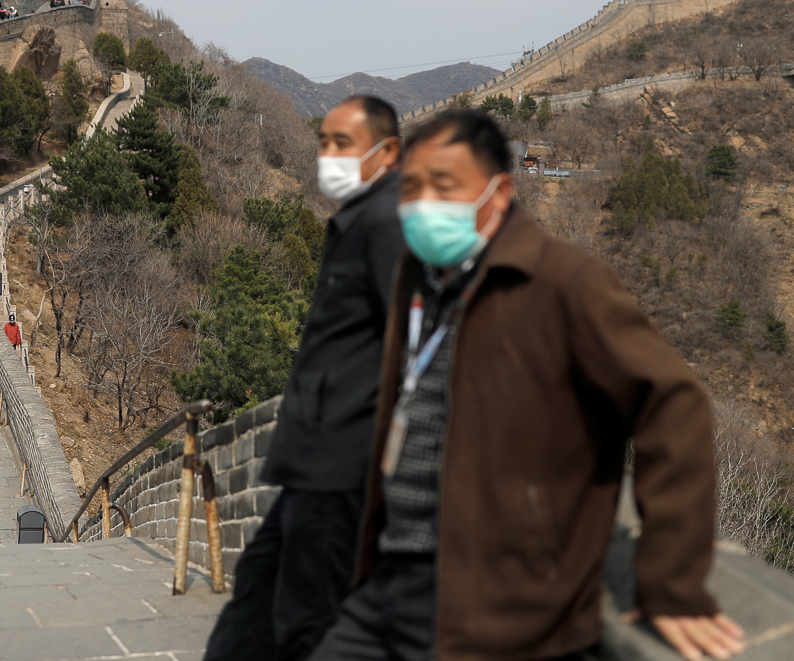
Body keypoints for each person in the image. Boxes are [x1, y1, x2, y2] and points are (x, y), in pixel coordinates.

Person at [308, 109, 744, 661]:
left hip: (502, 609)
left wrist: (674, 585)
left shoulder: (563, 283)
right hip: (388, 583)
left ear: (499, 191)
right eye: (412, 187)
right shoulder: (416, 278)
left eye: (445, 185)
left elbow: (674, 404)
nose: (423, 204)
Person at [204, 97, 404, 661]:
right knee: (253, 608)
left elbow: (415, 340)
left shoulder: (388, 222)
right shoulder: (358, 220)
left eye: (344, 144)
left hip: (345, 462)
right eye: (323, 142)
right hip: (314, 464)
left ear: (386, 152)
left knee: (309, 624)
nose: (328, 155)